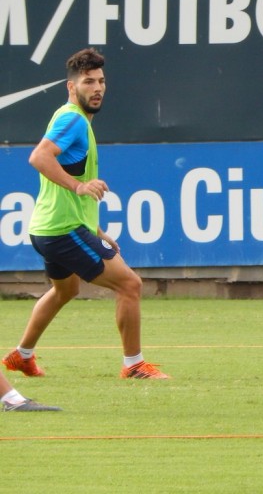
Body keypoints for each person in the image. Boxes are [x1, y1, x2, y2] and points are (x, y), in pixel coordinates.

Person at [2, 48, 169, 380]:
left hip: (52, 227)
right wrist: (78, 187)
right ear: (71, 86)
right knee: (129, 285)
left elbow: (61, 169)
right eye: (88, 81)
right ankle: (134, 365)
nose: (97, 88)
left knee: (66, 290)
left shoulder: (72, 119)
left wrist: (96, 229)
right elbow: (39, 157)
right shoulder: (72, 119)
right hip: (61, 230)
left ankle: (22, 356)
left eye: (101, 81)